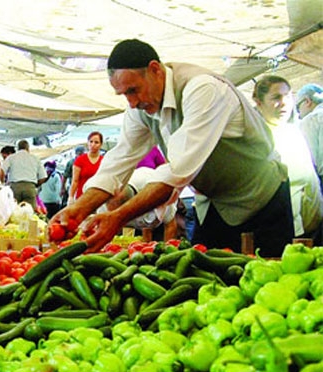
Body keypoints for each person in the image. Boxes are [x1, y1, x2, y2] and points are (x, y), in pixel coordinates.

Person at [51, 38, 293, 257]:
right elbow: (118, 161)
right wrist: (79, 208)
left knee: (268, 281)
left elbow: (176, 172)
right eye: (123, 94)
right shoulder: (141, 107)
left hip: (262, 201)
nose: (132, 102)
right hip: (214, 206)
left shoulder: (202, 89)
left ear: (155, 70)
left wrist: (118, 217)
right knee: (209, 283)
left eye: (133, 90)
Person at [252, 75, 323, 241]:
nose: (284, 103)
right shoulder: (255, 137)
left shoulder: (294, 132)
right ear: (259, 102)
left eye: (288, 96)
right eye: (276, 98)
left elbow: (309, 181)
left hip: (307, 227)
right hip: (275, 229)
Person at [1, 140, 47, 211]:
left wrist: (3, 183)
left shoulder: (11, 157)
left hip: (15, 187)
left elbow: (2, 171)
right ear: (28, 148)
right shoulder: (35, 158)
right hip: (30, 187)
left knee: (14, 212)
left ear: (18, 148)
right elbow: (43, 177)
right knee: (30, 212)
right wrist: (36, 185)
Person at [297, 83, 323, 185]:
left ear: (307, 101)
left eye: (298, 107)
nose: (298, 114)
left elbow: (311, 160)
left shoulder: (311, 119)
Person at [68, 131, 104, 202]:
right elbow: (75, 181)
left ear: (101, 144)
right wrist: (71, 197)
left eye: (96, 142)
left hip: (98, 198)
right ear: (88, 143)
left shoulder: (104, 161)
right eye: (91, 141)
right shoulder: (80, 160)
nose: (93, 144)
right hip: (81, 197)